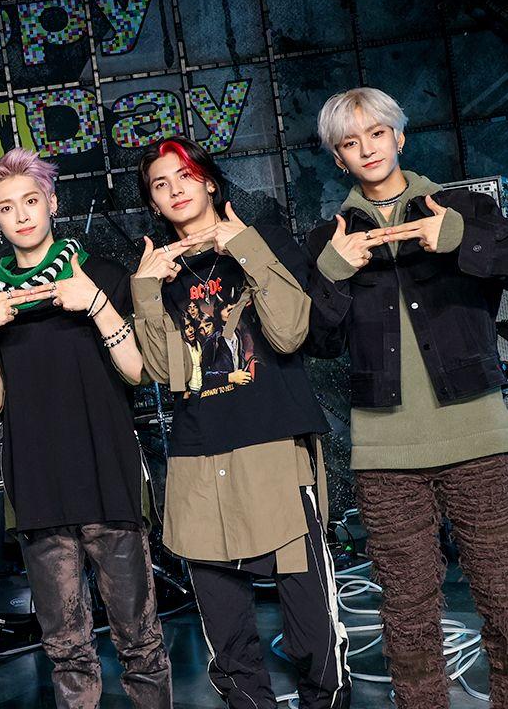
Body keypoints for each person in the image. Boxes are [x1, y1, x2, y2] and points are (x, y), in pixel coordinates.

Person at [306, 87, 508, 708]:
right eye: (350, 142)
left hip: (477, 437)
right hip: (384, 451)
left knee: (507, 601)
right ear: (338, 159)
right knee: (408, 614)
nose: (367, 149)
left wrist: (461, 239)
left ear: (399, 137)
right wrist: (332, 273)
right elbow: (314, 341)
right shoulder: (327, 238)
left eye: (377, 133)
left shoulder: (461, 208)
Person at [131, 137, 351, 709]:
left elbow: (290, 333)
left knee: (310, 625)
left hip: (273, 448)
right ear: (153, 203)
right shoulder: (160, 273)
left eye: (184, 175)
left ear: (209, 181)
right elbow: (166, 372)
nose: (175, 189)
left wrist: (246, 249)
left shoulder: (265, 239)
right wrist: (145, 290)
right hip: (198, 458)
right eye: (160, 184)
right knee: (227, 633)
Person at [0, 147, 172, 709]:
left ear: (52, 203)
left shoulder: (102, 275)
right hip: (38, 491)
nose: (22, 214)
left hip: (108, 480)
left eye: (31, 200)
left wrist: (97, 304)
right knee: (66, 649)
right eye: (6, 207)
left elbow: (138, 371)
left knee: (140, 641)